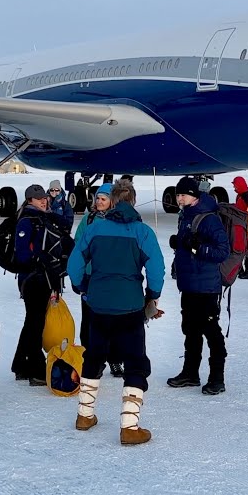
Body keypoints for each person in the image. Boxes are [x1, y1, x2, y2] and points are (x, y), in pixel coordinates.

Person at [67, 180, 166, 444]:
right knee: (135, 362)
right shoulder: (142, 232)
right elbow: (156, 269)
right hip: (130, 306)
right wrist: (152, 295)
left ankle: (84, 415)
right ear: (132, 200)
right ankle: (129, 427)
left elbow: (75, 262)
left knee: (95, 356)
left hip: (98, 304)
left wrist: (82, 286)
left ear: (112, 200)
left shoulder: (95, 228)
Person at [166, 176, 230, 395]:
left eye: (183, 195)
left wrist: (197, 247)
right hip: (189, 284)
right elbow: (188, 245)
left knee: (211, 331)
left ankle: (217, 378)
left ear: (193, 195)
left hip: (206, 286)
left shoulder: (209, 219)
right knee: (190, 330)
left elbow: (223, 252)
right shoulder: (185, 215)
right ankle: (190, 373)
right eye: (178, 195)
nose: (179, 198)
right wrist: (180, 244)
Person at [10, 184, 73, 386]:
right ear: (30, 201)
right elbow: (22, 253)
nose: (43, 201)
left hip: (44, 278)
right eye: (38, 199)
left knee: (33, 321)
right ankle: (35, 369)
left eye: (44, 198)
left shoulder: (45, 217)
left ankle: (20, 364)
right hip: (34, 279)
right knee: (35, 323)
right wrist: (40, 261)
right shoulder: (27, 221)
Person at [75, 183, 125, 378]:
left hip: (112, 278)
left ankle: (114, 359)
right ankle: (91, 360)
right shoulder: (88, 220)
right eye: (98, 198)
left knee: (113, 321)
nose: (99, 202)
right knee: (89, 321)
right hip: (90, 277)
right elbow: (78, 246)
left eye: (103, 198)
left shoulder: (120, 220)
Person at [231, 176, 248, 278]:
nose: (234, 188)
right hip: (241, 224)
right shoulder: (242, 195)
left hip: (246, 225)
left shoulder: (246, 197)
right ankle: (244, 270)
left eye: (235, 185)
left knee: (245, 248)